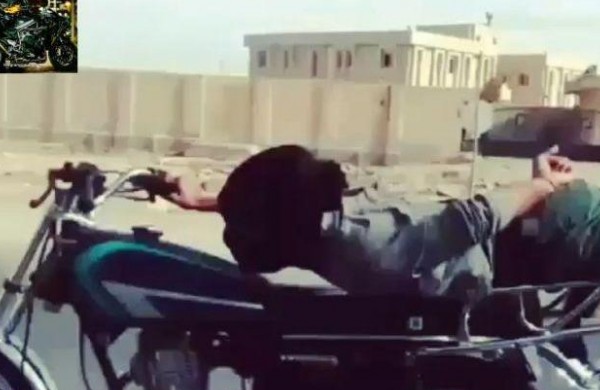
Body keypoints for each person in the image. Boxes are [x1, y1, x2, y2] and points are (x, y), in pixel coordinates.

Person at [137, 144, 578, 339]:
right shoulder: (365, 240)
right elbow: (472, 219)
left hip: (512, 234)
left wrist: (202, 201)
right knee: (585, 206)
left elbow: (277, 215)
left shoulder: (316, 231)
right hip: (511, 248)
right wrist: (541, 186)